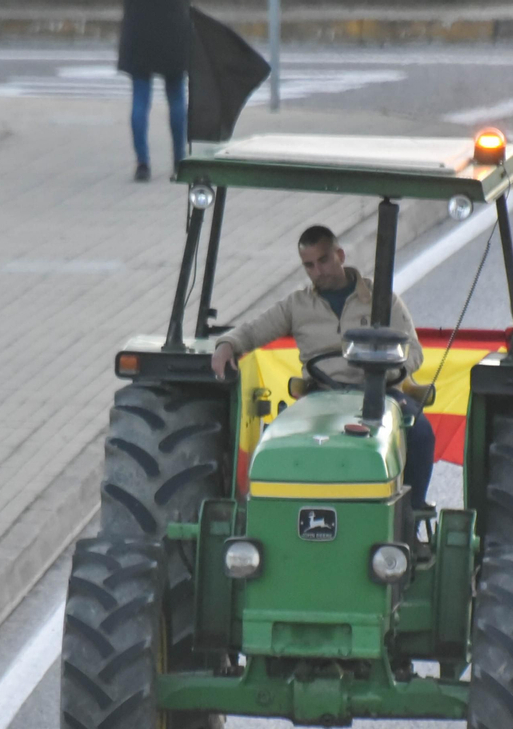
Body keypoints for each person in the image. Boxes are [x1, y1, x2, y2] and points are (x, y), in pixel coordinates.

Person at [210, 225, 438, 509]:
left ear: (340, 255)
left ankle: (412, 512)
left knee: (420, 432)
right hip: (320, 396)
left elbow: (414, 350)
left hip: (381, 392)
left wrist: (389, 370)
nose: (318, 271)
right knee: (277, 443)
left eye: (324, 260)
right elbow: (253, 331)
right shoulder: (297, 305)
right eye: (309, 265)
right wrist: (227, 344)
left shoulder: (382, 299)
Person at [117, 0, 191, 182]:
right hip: (173, 24)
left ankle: (142, 164)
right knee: (176, 96)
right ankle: (179, 161)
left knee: (140, 98)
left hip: (138, 27)